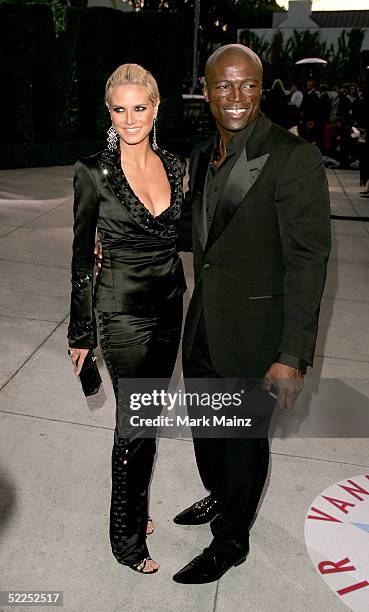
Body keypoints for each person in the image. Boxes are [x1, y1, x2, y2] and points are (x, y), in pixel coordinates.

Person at [172, 44, 331, 584]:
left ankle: (232, 541)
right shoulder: (200, 154)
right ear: (207, 90)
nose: (235, 96)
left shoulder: (292, 157)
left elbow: (308, 262)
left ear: (262, 89)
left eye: (247, 85)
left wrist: (292, 355)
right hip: (203, 326)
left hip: (257, 336)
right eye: (224, 85)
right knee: (207, 432)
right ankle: (220, 498)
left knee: (242, 445)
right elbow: (202, 238)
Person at [67, 64, 186, 574]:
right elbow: (79, 257)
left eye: (140, 107)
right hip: (121, 314)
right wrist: (80, 331)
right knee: (134, 424)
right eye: (120, 108)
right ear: (109, 112)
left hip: (170, 307)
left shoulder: (177, 166)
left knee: (150, 417)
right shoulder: (93, 172)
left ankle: (133, 506)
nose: (131, 118)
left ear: (156, 108)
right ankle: (126, 537)